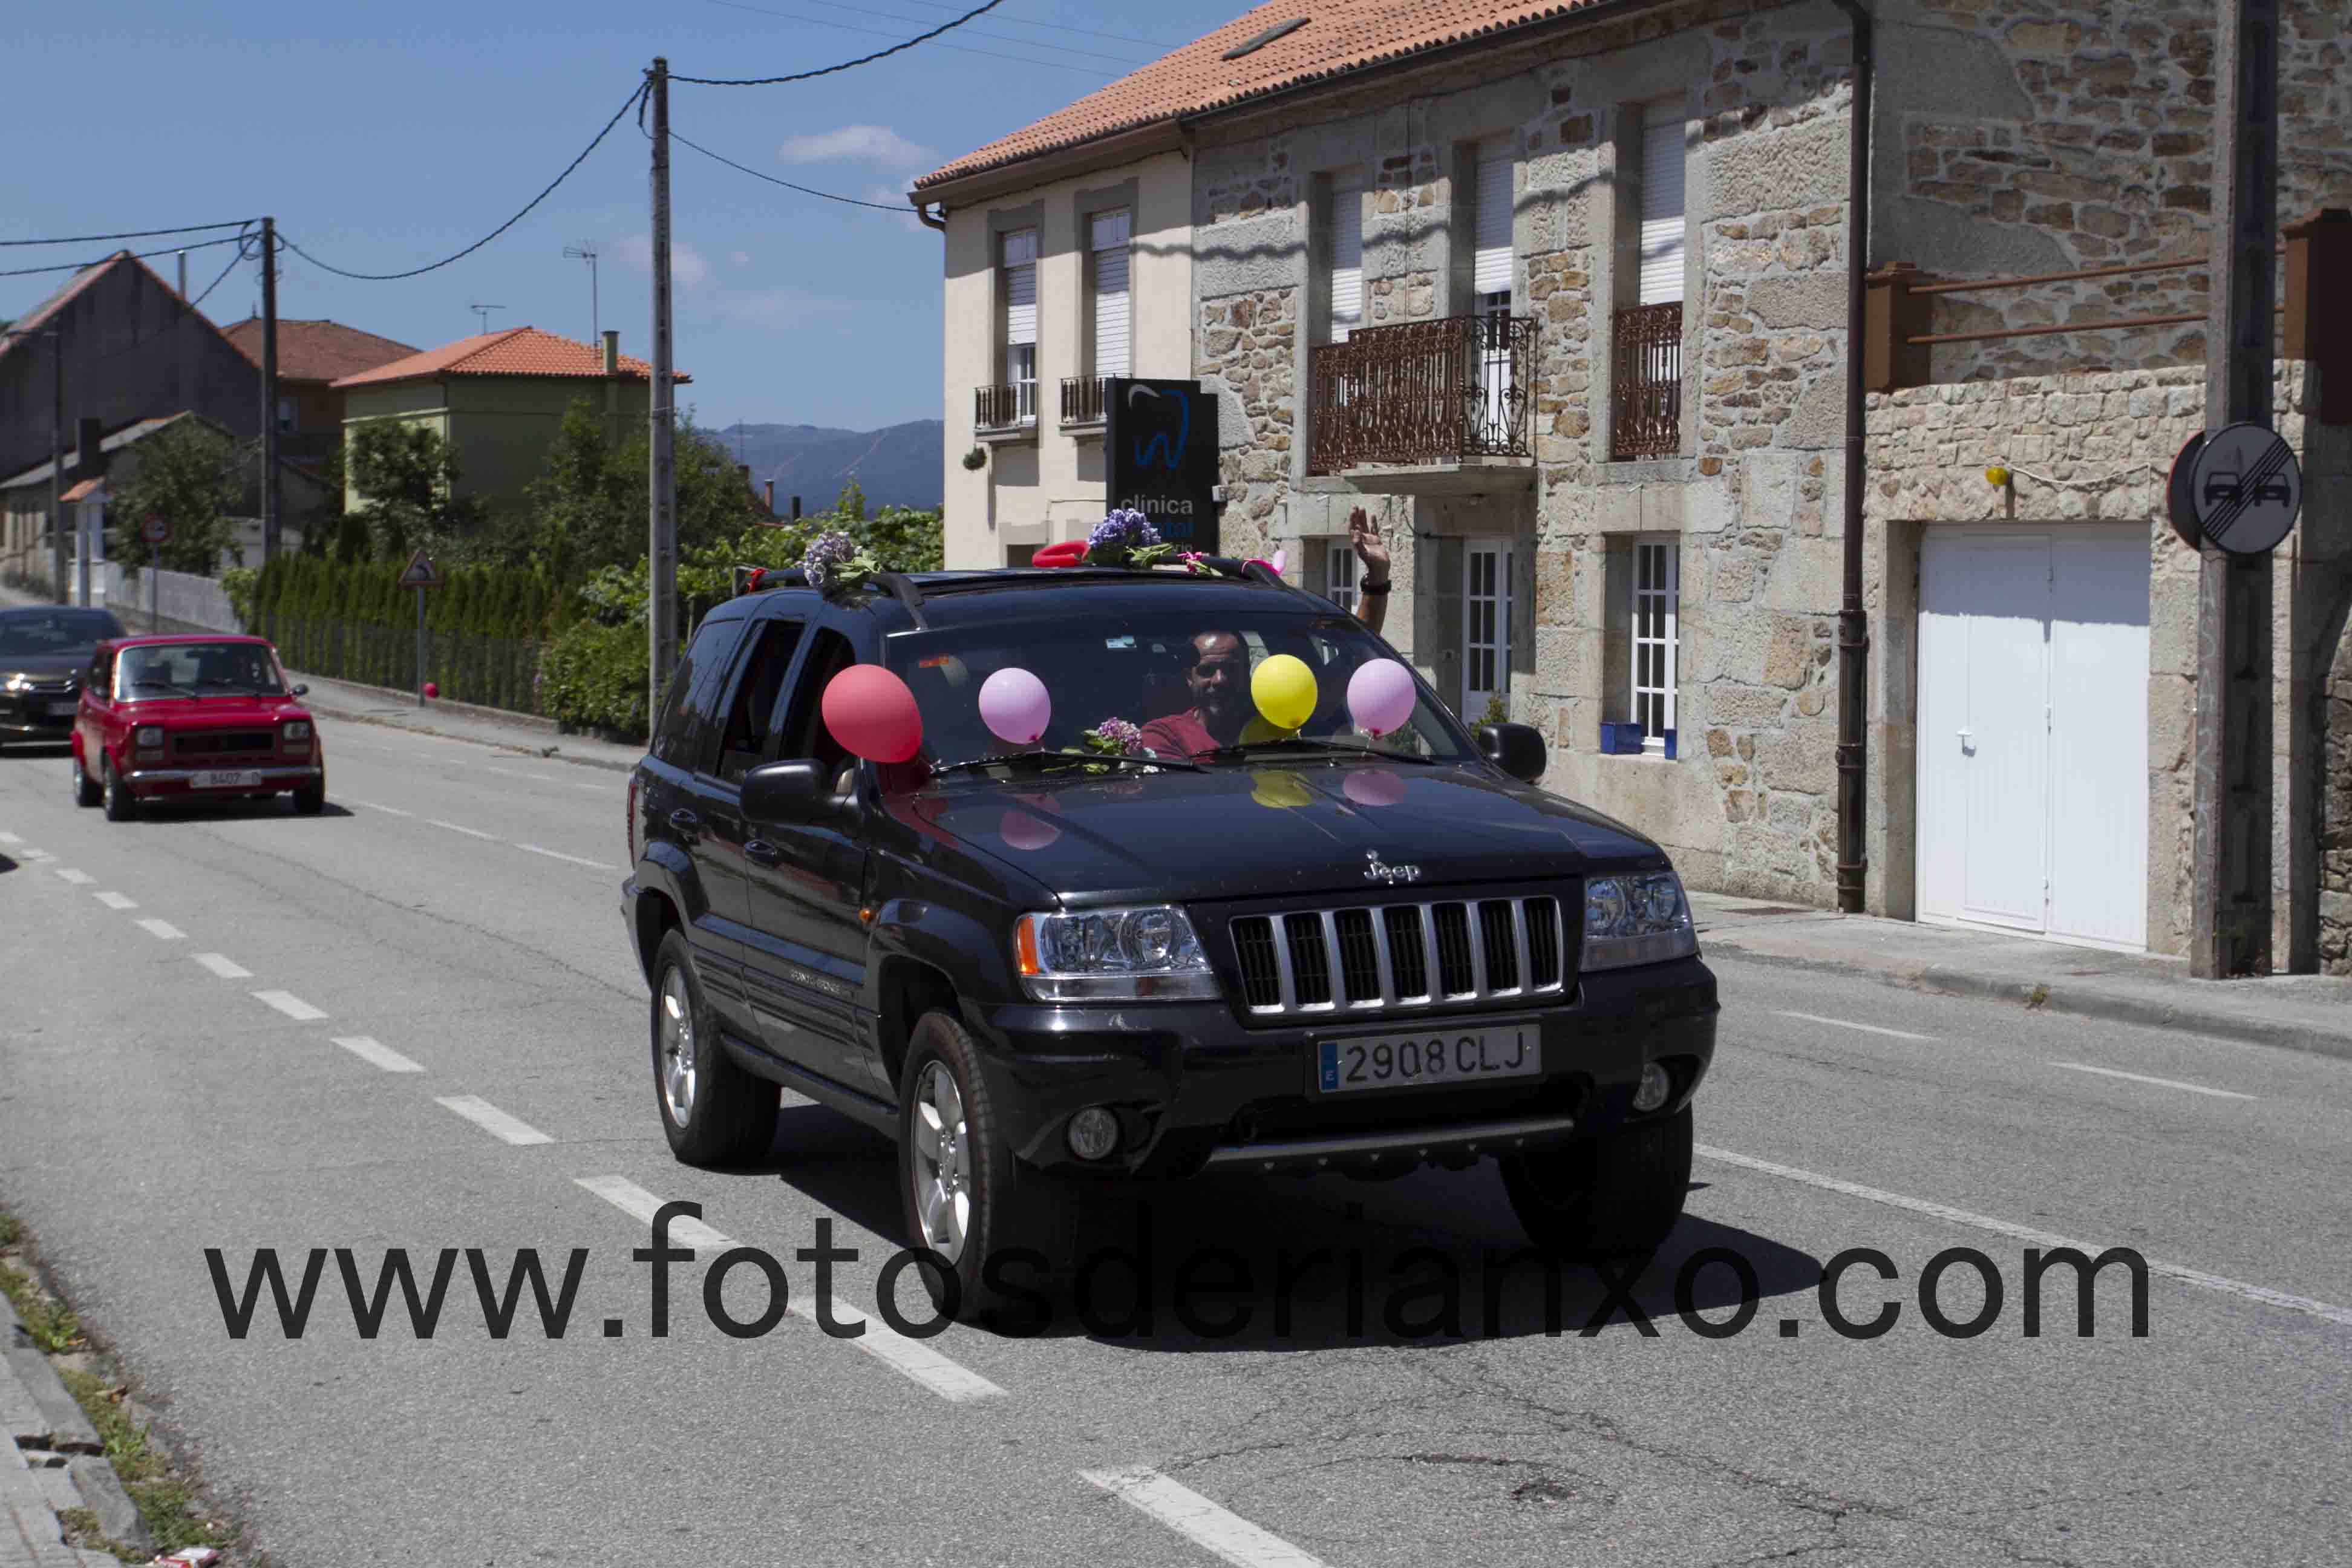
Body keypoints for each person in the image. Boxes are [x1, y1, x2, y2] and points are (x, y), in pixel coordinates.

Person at [1137, 509, 1396, 757]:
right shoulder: (1165, 736)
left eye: (1231, 669)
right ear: (1189, 677)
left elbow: (1353, 654)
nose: (1220, 680)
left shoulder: (1283, 718)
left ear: (1248, 671)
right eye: (1207, 671)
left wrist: (1377, 577)